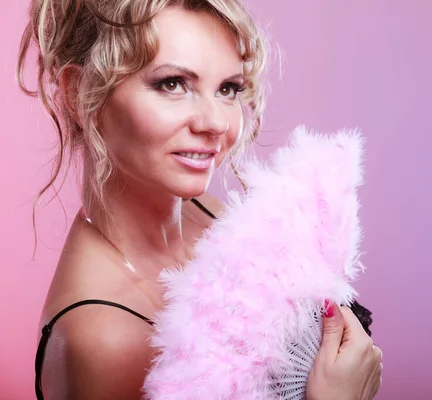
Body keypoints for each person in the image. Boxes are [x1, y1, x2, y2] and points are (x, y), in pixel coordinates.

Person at [18, 1, 383, 399]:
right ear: (78, 93)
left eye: (228, 89)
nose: (215, 123)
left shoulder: (203, 212)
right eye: (172, 84)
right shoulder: (104, 337)